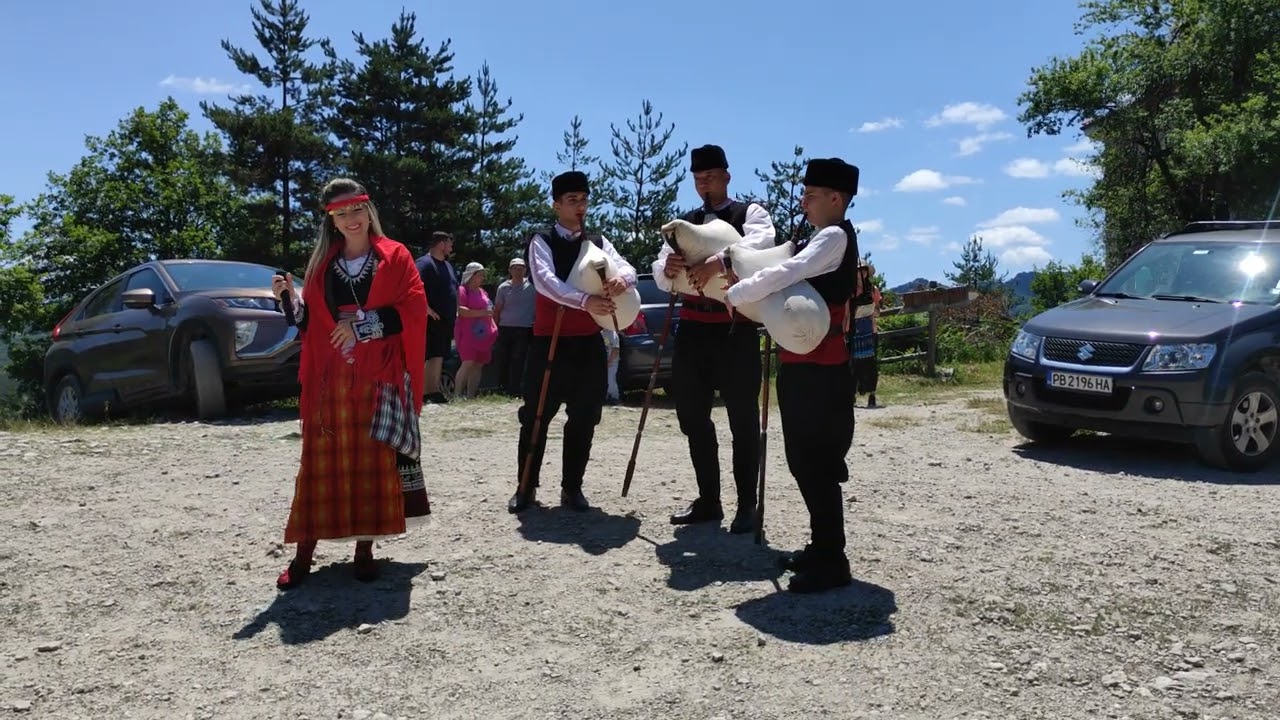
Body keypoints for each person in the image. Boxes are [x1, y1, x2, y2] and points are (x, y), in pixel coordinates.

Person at [270, 178, 430, 590]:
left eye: (355, 210)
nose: (350, 219)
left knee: (373, 465)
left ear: (368, 210)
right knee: (318, 465)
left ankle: (364, 549)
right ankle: (304, 552)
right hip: (332, 380)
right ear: (331, 221)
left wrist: (363, 326)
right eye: (340, 214)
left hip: (380, 374)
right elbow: (310, 324)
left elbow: (413, 309)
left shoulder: (396, 256)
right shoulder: (323, 267)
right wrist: (289, 301)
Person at [724, 157, 860, 594]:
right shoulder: (823, 237)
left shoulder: (835, 237)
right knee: (803, 460)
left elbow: (788, 272)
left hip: (823, 371)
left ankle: (832, 558)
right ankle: (822, 546)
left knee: (814, 461)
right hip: (806, 367)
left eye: (811, 194)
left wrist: (741, 291)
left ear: (835, 198)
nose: (803, 202)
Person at [652, 144, 777, 533]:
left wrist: (720, 260)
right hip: (692, 328)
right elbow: (659, 269)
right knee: (691, 415)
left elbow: (762, 244)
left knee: (742, 417)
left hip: (735, 327)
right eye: (697, 179)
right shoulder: (684, 223)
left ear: (726, 175)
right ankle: (709, 500)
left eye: (710, 177)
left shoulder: (749, 214)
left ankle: (745, 504)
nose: (703, 185)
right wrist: (667, 265)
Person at [508, 170, 637, 514]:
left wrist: (622, 281)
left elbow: (625, 266)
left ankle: (572, 488)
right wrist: (584, 301)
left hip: (586, 343)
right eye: (571, 200)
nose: (580, 206)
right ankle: (526, 487)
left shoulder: (597, 241)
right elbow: (546, 281)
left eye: (583, 199)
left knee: (585, 416)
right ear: (556, 205)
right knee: (536, 416)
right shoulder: (541, 240)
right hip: (548, 342)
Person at [416, 231, 458, 403]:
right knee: (428, 355)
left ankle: (433, 390)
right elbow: (413, 286)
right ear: (441, 244)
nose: (451, 247)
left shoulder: (447, 265)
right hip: (429, 320)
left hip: (446, 320)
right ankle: (424, 393)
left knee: (439, 355)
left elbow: (454, 288)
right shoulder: (424, 263)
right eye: (449, 243)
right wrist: (426, 308)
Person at [491, 257, 536, 397]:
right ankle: (501, 387)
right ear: (510, 270)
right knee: (503, 358)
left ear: (525, 270)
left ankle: (514, 389)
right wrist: (495, 327)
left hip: (524, 328)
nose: (518, 271)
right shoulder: (503, 287)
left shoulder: (532, 287)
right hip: (505, 327)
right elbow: (497, 309)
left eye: (521, 268)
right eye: (515, 268)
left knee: (519, 359)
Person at [454, 261, 498, 399]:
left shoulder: (483, 291)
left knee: (478, 364)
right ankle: (457, 395)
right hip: (467, 333)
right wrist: (482, 313)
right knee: (467, 362)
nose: (482, 278)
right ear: (471, 275)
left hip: (482, 335)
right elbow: (461, 310)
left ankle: (471, 396)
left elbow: (489, 307)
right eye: (480, 275)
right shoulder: (462, 290)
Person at [850, 260, 883, 407]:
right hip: (853, 331)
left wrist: (872, 310)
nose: (861, 273)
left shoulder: (873, 290)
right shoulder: (849, 290)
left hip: (870, 330)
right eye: (858, 270)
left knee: (870, 363)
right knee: (853, 364)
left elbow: (878, 311)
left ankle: (872, 394)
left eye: (863, 271)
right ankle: (853, 394)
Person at [602, 326, 621, 404]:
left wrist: (610, 361)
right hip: (603, 361)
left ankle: (614, 396)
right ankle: (606, 396)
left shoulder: (613, 334)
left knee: (611, 378)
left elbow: (616, 349)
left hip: (612, 362)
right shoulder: (602, 333)